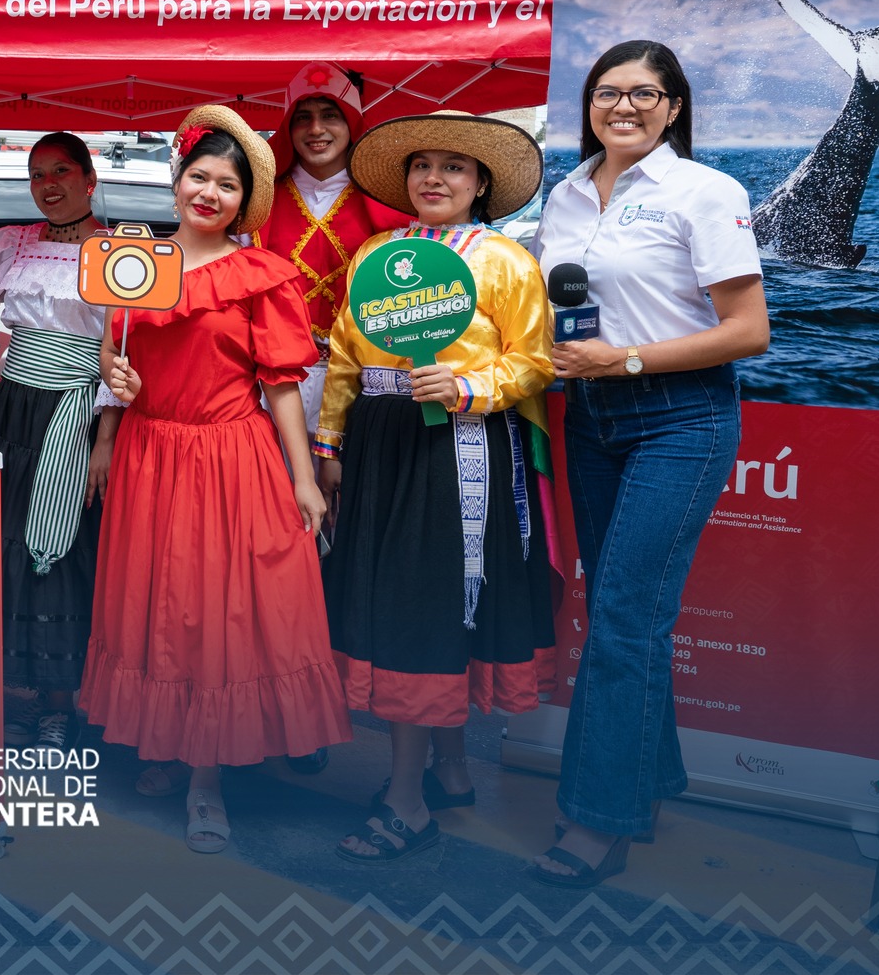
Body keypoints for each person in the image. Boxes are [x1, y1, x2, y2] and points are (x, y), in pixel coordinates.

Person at [529, 41, 768, 887]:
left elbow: (749, 332)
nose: (622, 106)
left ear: (673, 107)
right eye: (606, 92)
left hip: (682, 418)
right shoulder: (562, 192)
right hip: (590, 419)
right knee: (624, 611)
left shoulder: (705, 191)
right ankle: (648, 781)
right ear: (588, 103)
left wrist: (624, 362)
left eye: (643, 94)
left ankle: (599, 820)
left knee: (626, 617)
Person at [87, 106, 351, 854]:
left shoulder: (262, 273)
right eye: (198, 176)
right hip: (148, 451)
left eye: (226, 184)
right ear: (176, 183)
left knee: (214, 614)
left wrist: (304, 479)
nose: (208, 192)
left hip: (228, 456)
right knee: (156, 606)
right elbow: (116, 363)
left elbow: (282, 387)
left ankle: (207, 778)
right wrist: (115, 383)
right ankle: (168, 747)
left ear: (244, 201)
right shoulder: (132, 263)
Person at [316, 109, 557, 866]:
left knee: (428, 606)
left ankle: (406, 799)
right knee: (404, 599)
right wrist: (330, 442)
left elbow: (535, 362)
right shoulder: (375, 255)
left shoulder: (505, 261)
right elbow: (345, 355)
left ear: (480, 182)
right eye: (423, 165)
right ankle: (448, 770)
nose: (435, 178)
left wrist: (469, 384)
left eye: (454, 167)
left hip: (460, 445)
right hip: (382, 441)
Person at [0, 133, 120, 751]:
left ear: (89, 179)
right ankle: (12, 696)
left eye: (62, 171)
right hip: (11, 411)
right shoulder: (10, 244)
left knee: (64, 554)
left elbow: (121, 351)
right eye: (37, 174)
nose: (48, 184)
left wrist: (104, 443)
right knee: (0, 550)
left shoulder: (119, 252)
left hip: (75, 412)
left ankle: (63, 702)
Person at [256, 64, 412, 424]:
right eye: (303, 118)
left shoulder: (389, 202)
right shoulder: (258, 198)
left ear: (352, 123)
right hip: (273, 383)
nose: (316, 130)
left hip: (361, 383)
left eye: (330, 116)